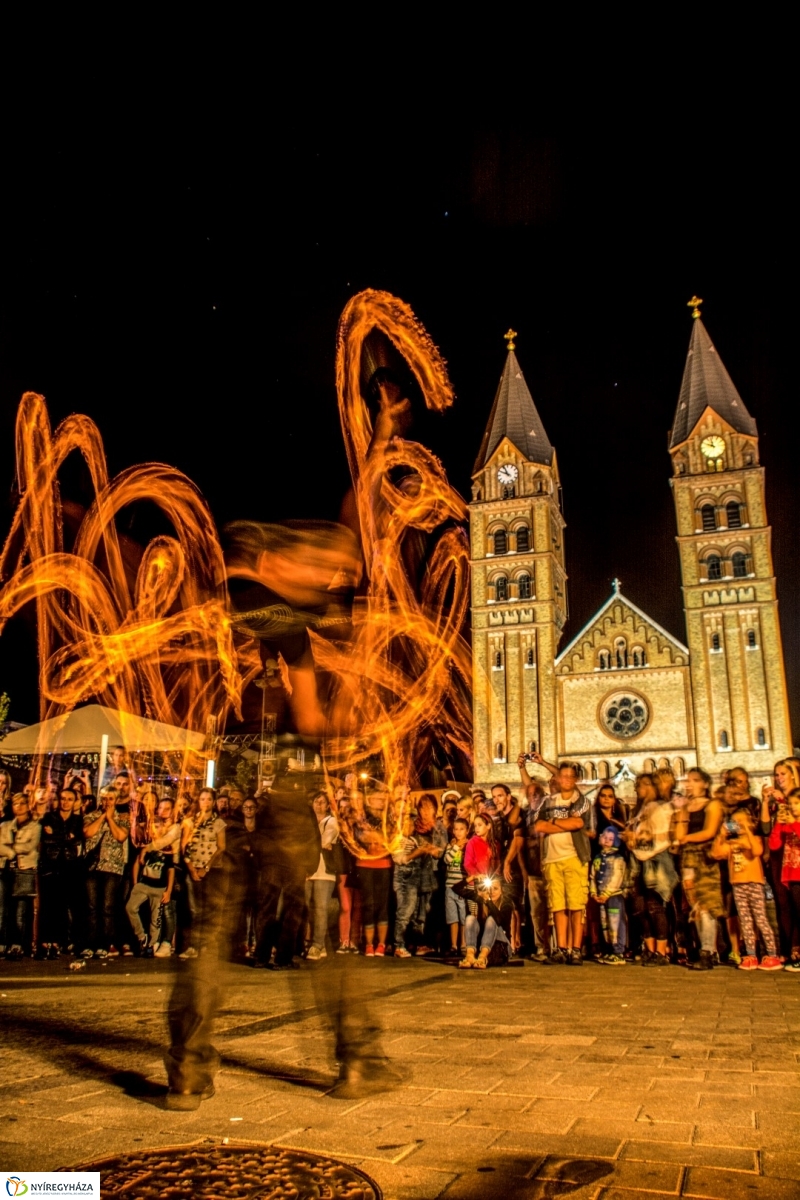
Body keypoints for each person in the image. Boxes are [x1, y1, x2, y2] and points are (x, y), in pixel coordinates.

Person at [528, 761, 591, 965]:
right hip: (551, 859)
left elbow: (579, 823)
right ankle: (561, 948)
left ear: (575, 779)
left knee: (575, 905)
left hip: (574, 857)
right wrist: (562, 824)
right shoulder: (548, 802)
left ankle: (575, 949)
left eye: (569, 776)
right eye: (561, 776)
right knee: (557, 906)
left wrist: (552, 824)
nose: (565, 780)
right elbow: (539, 825)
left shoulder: (581, 801)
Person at [712, 807, 781, 970]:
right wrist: (721, 835)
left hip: (754, 883)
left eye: (741, 821)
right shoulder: (731, 842)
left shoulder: (754, 838)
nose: (738, 825)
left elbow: (757, 851)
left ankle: (772, 954)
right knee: (745, 921)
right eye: (735, 822)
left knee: (761, 919)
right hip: (738, 884)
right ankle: (750, 954)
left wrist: (747, 832)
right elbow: (716, 853)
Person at [623, 772, 677, 966]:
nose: (639, 788)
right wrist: (630, 838)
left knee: (655, 907)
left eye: (645, 784)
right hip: (637, 859)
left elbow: (667, 834)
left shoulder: (663, 807)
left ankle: (662, 952)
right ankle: (650, 948)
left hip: (657, 859)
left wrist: (640, 838)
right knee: (639, 908)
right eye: (638, 785)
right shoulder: (638, 809)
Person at [674, 768, 724, 971]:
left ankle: (707, 950)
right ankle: (707, 949)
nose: (689, 784)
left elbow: (709, 831)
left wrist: (686, 839)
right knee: (694, 905)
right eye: (687, 781)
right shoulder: (687, 805)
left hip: (705, 857)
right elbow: (679, 831)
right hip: (688, 858)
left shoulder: (713, 804)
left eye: (694, 780)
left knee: (706, 905)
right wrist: (683, 810)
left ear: (704, 784)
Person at [81, 786, 130, 959]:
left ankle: (104, 944)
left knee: (107, 907)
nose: (107, 802)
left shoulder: (123, 818)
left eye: (111, 798)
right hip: (92, 867)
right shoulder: (91, 816)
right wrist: (103, 816)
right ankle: (89, 944)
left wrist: (111, 819)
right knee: (91, 907)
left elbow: (120, 836)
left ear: (116, 800)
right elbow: (88, 832)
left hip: (112, 868)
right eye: (104, 798)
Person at [126, 798, 179, 956]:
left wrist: (168, 890)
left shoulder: (167, 847)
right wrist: (135, 883)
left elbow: (170, 869)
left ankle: (152, 944)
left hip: (159, 887)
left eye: (158, 827)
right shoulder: (146, 844)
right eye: (152, 827)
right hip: (144, 884)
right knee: (130, 908)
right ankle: (141, 936)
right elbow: (136, 863)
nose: (155, 830)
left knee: (155, 918)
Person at [761, 759, 800, 966]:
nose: (779, 778)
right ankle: (787, 948)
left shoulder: (796, 797)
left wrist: (785, 800)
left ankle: (796, 948)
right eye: (776, 775)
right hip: (779, 855)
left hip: (795, 853)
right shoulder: (775, 799)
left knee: (797, 903)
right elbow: (766, 829)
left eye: (783, 774)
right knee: (782, 903)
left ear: (793, 774)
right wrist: (766, 802)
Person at [38, 786, 84, 958]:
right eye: (63, 798)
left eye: (69, 799)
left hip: (70, 867)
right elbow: (46, 839)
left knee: (63, 906)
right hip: (50, 866)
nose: (65, 802)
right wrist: (65, 837)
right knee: (47, 905)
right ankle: (44, 942)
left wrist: (56, 835)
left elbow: (77, 838)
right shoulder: (49, 817)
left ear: (74, 802)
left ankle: (57, 942)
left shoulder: (78, 820)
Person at [180, 788, 226, 959]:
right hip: (193, 869)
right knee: (194, 909)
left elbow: (221, 847)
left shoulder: (218, 823)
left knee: (209, 909)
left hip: (211, 870)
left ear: (213, 802)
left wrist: (206, 867)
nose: (205, 802)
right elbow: (185, 847)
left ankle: (206, 944)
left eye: (208, 799)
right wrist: (192, 869)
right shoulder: (190, 822)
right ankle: (192, 945)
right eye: (202, 799)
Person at [0, 794, 41, 957]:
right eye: (16, 804)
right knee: (2, 908)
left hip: (24, 869)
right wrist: (11, 851)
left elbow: (30, 846)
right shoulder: (4, 825)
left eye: (23, 803)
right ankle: (2, 942)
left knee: (20, 909)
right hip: (4, 869)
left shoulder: (35, 826)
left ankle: (17, 943)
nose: (19, 806)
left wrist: (9, 848)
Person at [353, 794, 392, 957]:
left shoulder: (388, 820)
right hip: (365, 864)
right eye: (377, 799)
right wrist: (377, 838)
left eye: (382, 800)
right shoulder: (363, 818)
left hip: (383, 864)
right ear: (370, 801)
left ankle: (381, 944)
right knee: (368, 904)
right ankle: (369, 944)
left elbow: (389, 839)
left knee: (382, 905)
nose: (380, 802)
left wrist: (376, 837)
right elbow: (360, 836)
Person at [305, 792, 340, 960]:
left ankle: (317, 944)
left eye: (322, 802)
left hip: (324, 870)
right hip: (308, 870)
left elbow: (323, 842)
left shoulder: (332, 822)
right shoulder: (309, 822)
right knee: (308, 908)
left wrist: (306, 842)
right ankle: (320, 943)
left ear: (327, 805)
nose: (319, 805)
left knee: (320, 909)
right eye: (316, 801)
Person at [589, 825, 628, 964]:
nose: (606, 840)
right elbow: (593, 876)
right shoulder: (598, 858)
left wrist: (607, 892)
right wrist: (594, 892)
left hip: (613, 896)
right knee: (605, 923)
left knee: (615, 922)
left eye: (610, 839)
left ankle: (619, 951)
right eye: (604, 837)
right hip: (601, 897)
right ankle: (609, 948)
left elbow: (617, 877)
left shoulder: (618, 859)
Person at [459, 876, 513, 969]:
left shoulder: (506, 903)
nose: (491, 891)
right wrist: (473, 877)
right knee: (470, 918)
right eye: (489, 888)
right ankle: (470, 955)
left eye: (495, 889)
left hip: (501, 945)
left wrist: (488, 901)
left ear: (502, 890)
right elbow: (456, 889)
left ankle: (483, 957)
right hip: (484, 944)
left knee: (491, 919)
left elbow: (499, 920)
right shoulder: (482, 899)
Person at [442, 817, 470, 957]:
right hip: (450, 886)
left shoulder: (469, 846)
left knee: (463, 917)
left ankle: (463, 944)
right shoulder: (451, 846)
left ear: (467, 830)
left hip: (462, 886)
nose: (459, 832)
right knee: (452, 917)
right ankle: (453, 945)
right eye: (456, 829)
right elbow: (447, 860)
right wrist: (455, 847)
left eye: (462, 829)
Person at [464, 813, 499, 887]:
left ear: (488, 826)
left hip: (492, 883)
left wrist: (497, 877)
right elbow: (468, 863)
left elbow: (498, 863)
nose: (476, 828)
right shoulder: (472, 842)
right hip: (477, 883)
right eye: (475, 826)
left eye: (479, 825)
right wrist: (477, 875)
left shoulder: (495, 844)